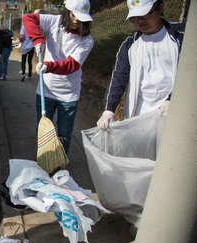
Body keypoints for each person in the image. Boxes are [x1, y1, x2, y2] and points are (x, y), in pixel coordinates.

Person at [97, 0, 185, 129]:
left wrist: (173, 98)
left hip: (171, 113)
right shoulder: (130, 45)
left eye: (144, 15)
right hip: (139, 116)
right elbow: (119, 78)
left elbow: (189, 73)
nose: (140, 21)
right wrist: (108, 110)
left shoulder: (181, 36)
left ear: (160, 8)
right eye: (135, 18)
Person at [22, 0, 94, 154]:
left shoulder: (87, 40)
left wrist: (49, 66)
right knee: (43, 131)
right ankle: (44, 159)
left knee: (64, 134)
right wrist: (38, 39)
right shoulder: (55, 22)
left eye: (81, 19)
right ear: (68, 12)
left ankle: (60, 164)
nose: (77, 21)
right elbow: (28, 18)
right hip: (45, 91)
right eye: (74, 15)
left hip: (69, 95)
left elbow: (71, 65)